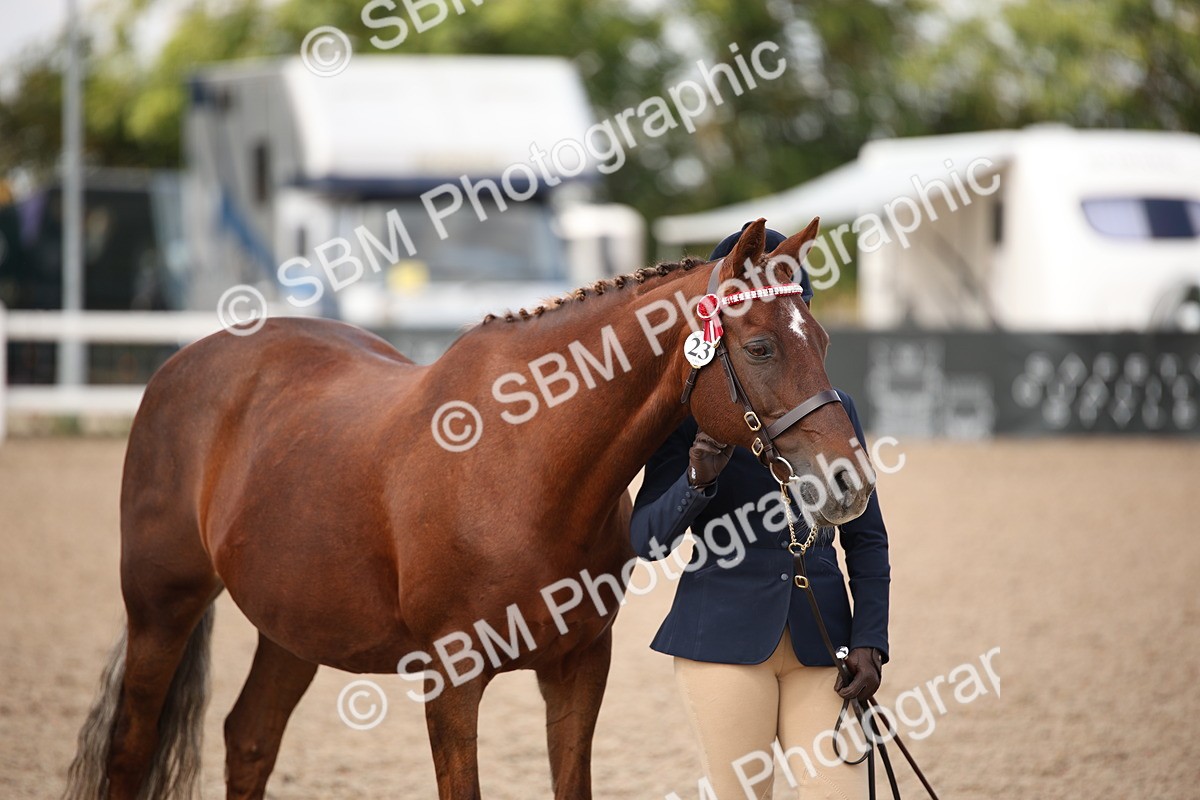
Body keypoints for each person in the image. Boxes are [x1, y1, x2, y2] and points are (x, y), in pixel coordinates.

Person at [631, 223, 891, 799]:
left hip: (824, 644)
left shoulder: (836, 411)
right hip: (724, 646)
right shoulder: (689, 417)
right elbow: (647, 540)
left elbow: (867, 537)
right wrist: (697, 480)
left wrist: (871, 638)